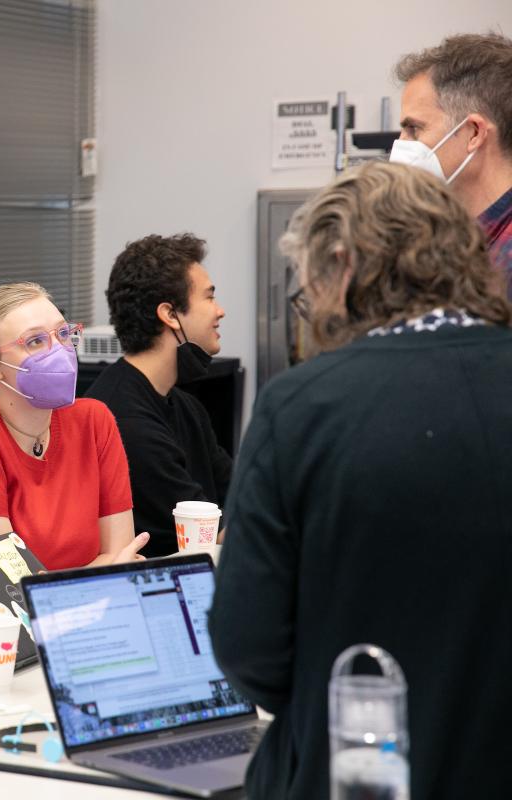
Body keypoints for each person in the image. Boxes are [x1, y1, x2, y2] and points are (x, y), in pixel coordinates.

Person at [208, 162, 512, 799]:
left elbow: (249, 648)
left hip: (360, 773)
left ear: (344, 265)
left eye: (310, 285)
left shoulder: (304, 407)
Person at [0, 282, 149, 620]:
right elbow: (4, 588)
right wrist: (98, 577)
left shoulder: (95, 421)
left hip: (78, 618)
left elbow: (121, 556)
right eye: (36, 341)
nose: (60, 350)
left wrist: (43, 587)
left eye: (63, 334)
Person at [84, 233, 231, 557]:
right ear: (169, 314)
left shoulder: (185, 406)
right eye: (208, 298)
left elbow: (238, 495)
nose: (220, 311)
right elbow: (212, 532)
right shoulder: (127, 423)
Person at [393, 32, 512, 291]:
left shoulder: (505, 257)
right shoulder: (458, 241)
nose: (401, 144)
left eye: (414, 129)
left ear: (474, 133)